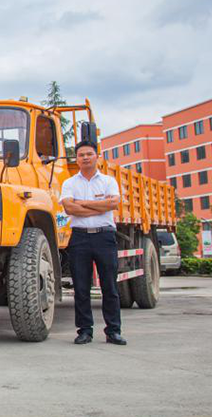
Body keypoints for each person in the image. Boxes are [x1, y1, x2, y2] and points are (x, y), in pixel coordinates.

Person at [60, 140, 127, 346]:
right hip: (79, 238)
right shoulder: (69, 183)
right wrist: (100, 206)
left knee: (109, 286)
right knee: (81, 288)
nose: (85, 157)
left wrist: (83, 203)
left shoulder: (108, 181)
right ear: (77, 159)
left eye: (89, 154)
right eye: (81, 155)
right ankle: (84, 331)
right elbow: (69, 209)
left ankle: (113, 331)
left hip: (104, 237)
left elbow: (113, 203)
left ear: (97, 156)